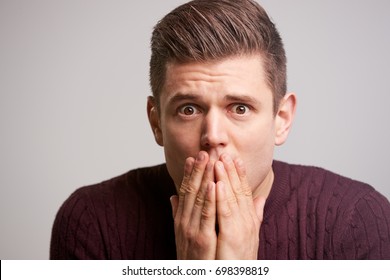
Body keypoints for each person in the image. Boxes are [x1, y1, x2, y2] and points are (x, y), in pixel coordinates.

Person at [50, 0, 390, 259]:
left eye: (239, 108)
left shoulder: (356, 218)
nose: (213, 135)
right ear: (156, 123)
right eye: (189, 109)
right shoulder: (91, 220)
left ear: (281, 119)